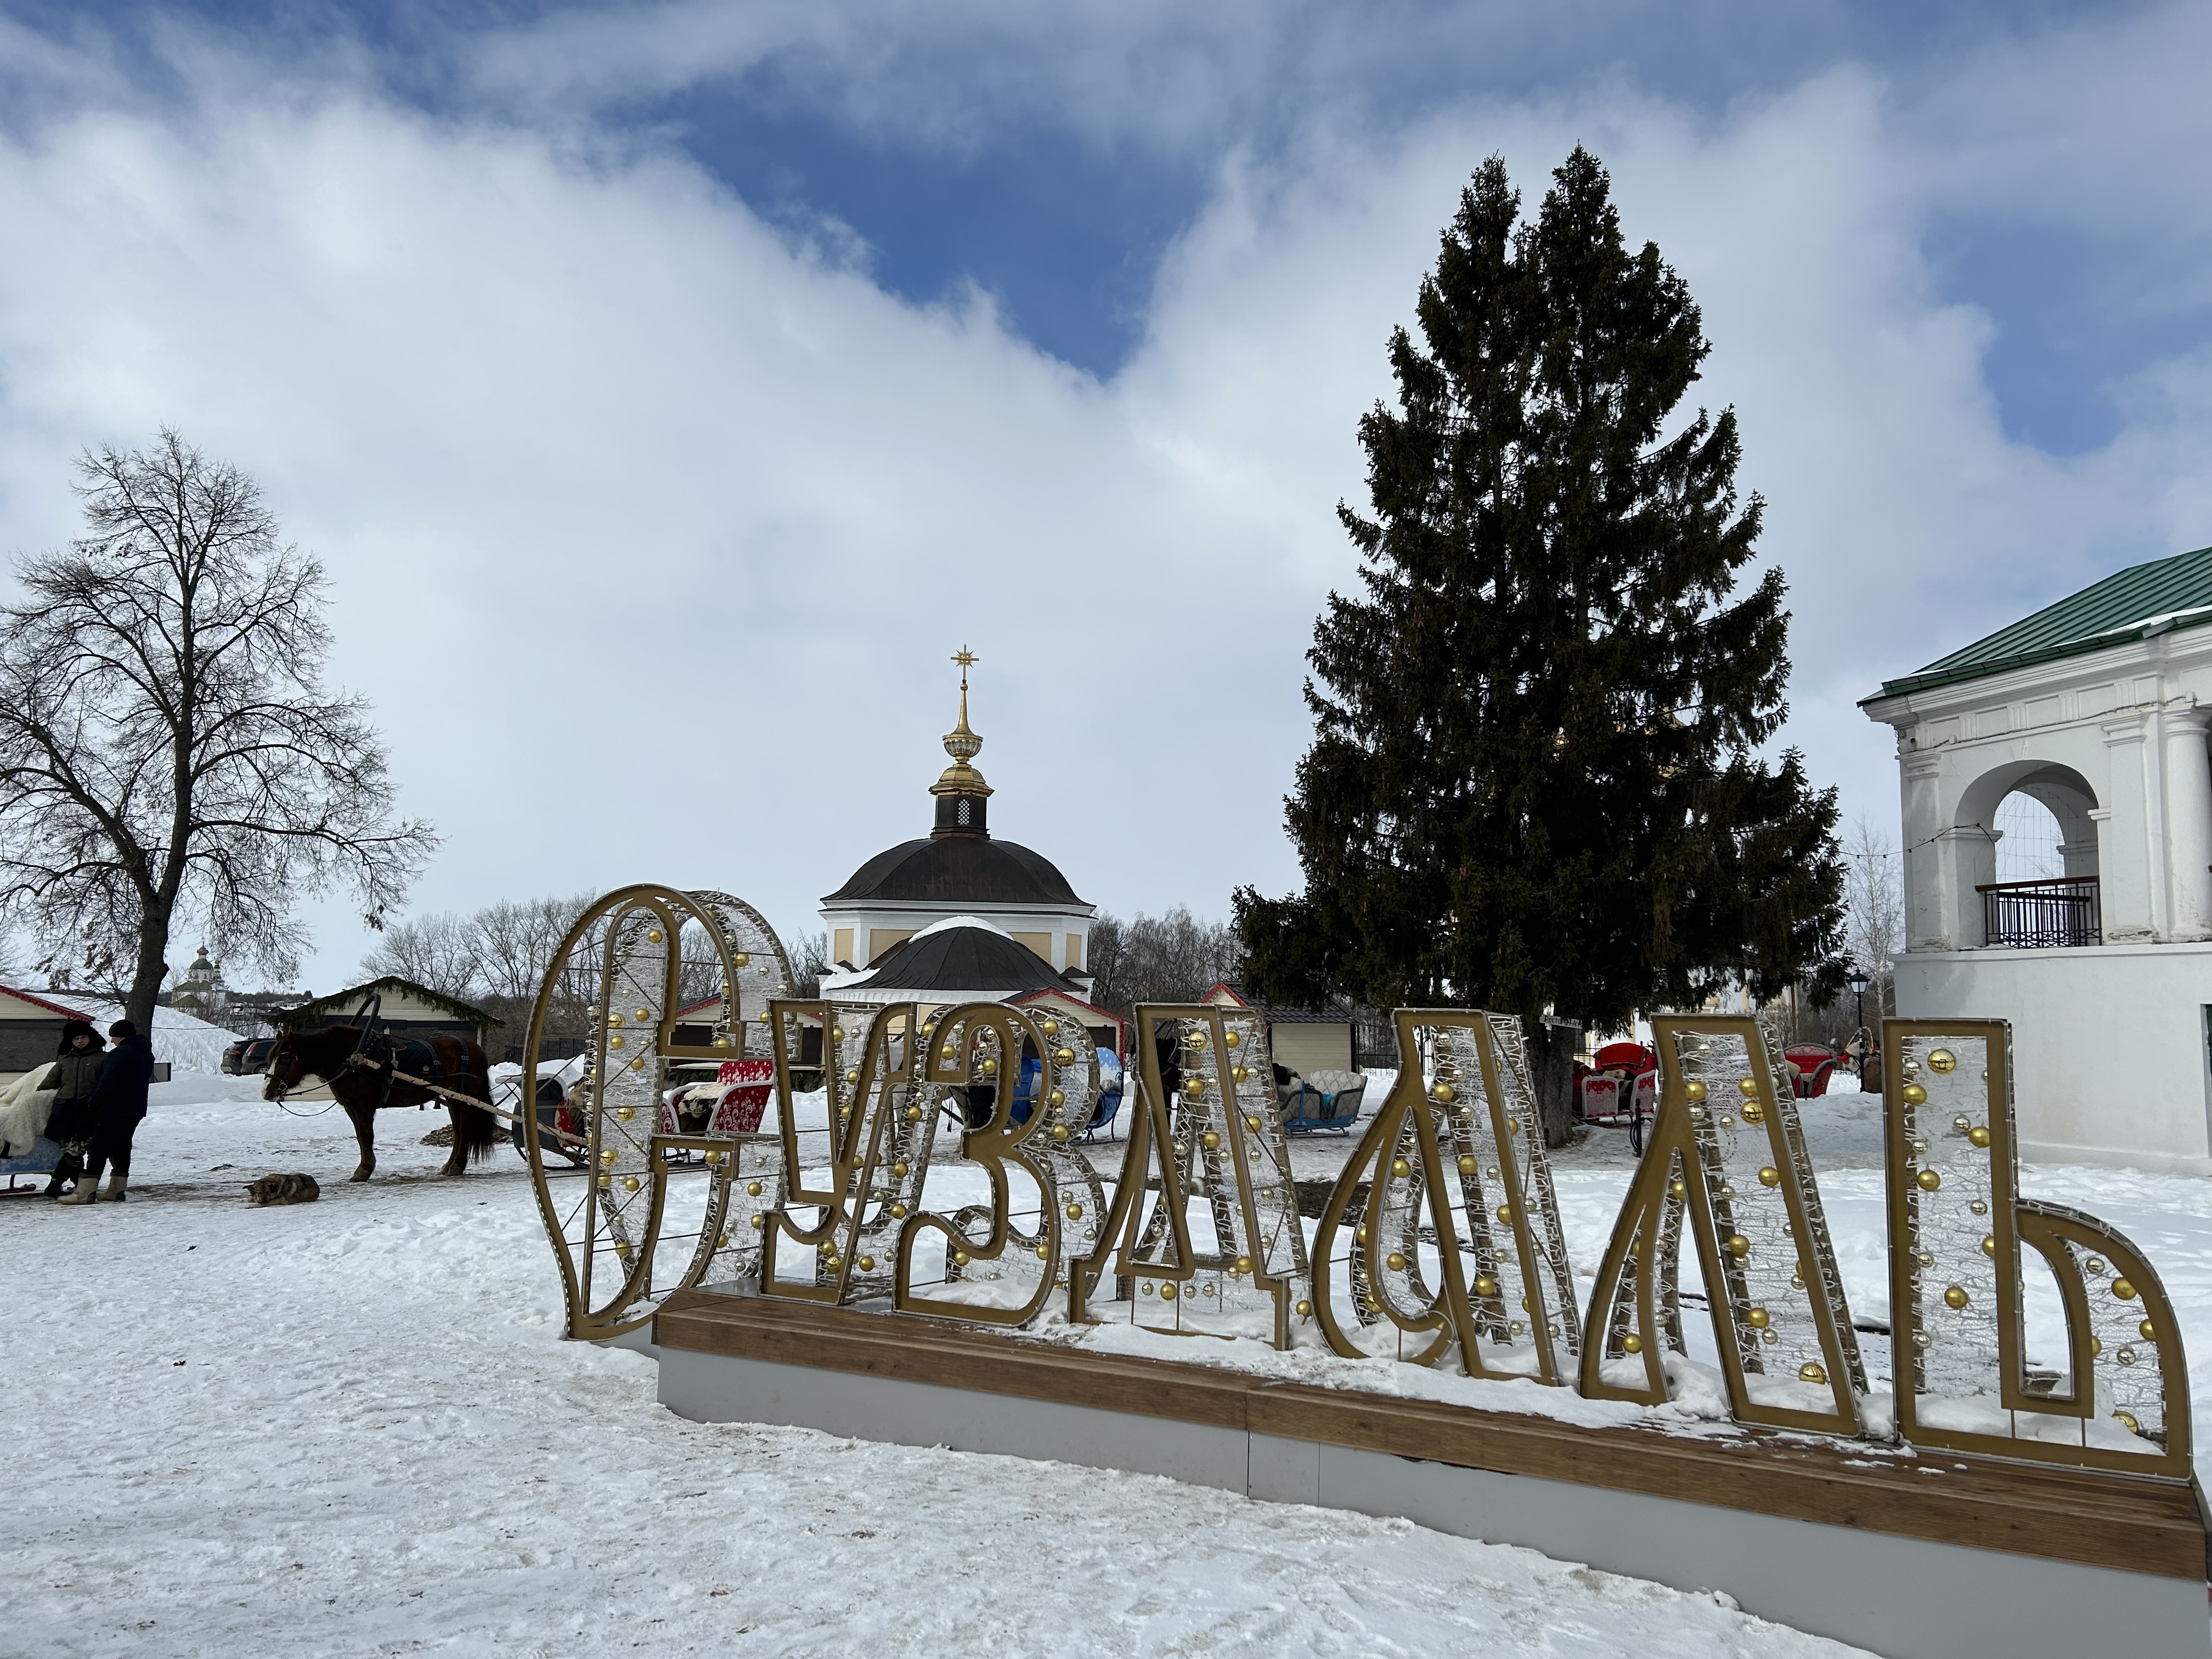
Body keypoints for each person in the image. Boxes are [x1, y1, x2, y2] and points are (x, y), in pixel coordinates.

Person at [58, 1019, 155, 1205]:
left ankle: (84, 1193)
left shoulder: (120, 1053)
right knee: (122, 1146)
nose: (111, 1041)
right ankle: (117, 1190)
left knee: (98, 1148)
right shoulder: (146, 1054)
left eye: (113, 1037)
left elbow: (108, 1082)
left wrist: (93, 1103)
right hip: (135, 1109)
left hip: (113, 1109)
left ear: (120, 1036)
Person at [36, 1020, 107, 1198]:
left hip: (89, 1111)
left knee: (75, 1151)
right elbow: (50, 1081)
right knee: (69, 1151)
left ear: (91, 1038)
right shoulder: (64, 1059)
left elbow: (106, 1085)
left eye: (83, 1037)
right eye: (76, 1039)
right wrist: (34, 1097)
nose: (80, 1041)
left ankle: (54, 1185)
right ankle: (79, 1184)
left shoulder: (102, 1058)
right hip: (64, 1111)